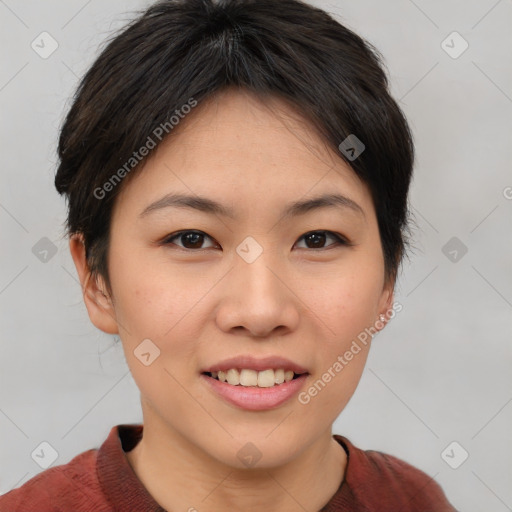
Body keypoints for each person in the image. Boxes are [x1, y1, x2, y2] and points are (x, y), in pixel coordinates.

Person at [0, 0, 458, 510]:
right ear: (95, 280)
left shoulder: (417, 500)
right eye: (191, 239)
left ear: (388, 278)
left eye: (317, 239)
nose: (259, 311)